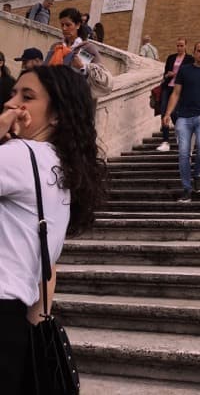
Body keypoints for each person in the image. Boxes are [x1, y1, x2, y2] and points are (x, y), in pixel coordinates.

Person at [0, 65, 106, 394]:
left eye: (27, 97)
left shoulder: (19, 155)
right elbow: (48, 265)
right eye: (13, 94)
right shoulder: (59, 165)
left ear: (57, 114)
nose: (11, 104)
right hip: (13, 318)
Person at [162, 42, 200, 202]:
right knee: (183, 154)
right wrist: (167, 113)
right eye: (199, 51)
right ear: (194, 53)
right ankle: (187, 189)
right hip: (184, 117)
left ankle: (197, 175)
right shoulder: (184, 70)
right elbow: (175, 93)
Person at [43, 7, 111, 95]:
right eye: (62, 25)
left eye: (68, 25)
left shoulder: (87, 48)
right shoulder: (56, 47)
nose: (64, 28)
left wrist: (83, 67)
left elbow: (101, 78)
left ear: (78, 25)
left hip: (75, 98)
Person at [157, 38, 193, 152]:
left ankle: (179, 131)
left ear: (186, 46)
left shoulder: (189, 59)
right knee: (164, 112)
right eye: (178, 45)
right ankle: (165, 141)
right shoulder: (171, 58)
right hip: (168, 87)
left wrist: (175, 74)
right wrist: (168, 75)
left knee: (174, 112)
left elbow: (188, 74)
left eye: (181, 45)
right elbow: (165, 72)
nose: (179, 48)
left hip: (179, 90)